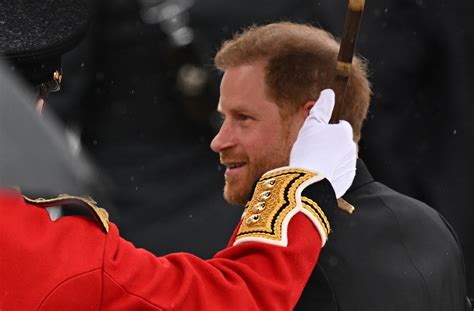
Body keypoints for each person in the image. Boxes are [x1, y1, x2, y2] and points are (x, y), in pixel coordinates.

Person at [210, 22, 471, 310]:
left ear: (310, 119)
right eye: (224, 119)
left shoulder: (288, 265)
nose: (219, 141)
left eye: (243, 118)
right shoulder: (433, 227)